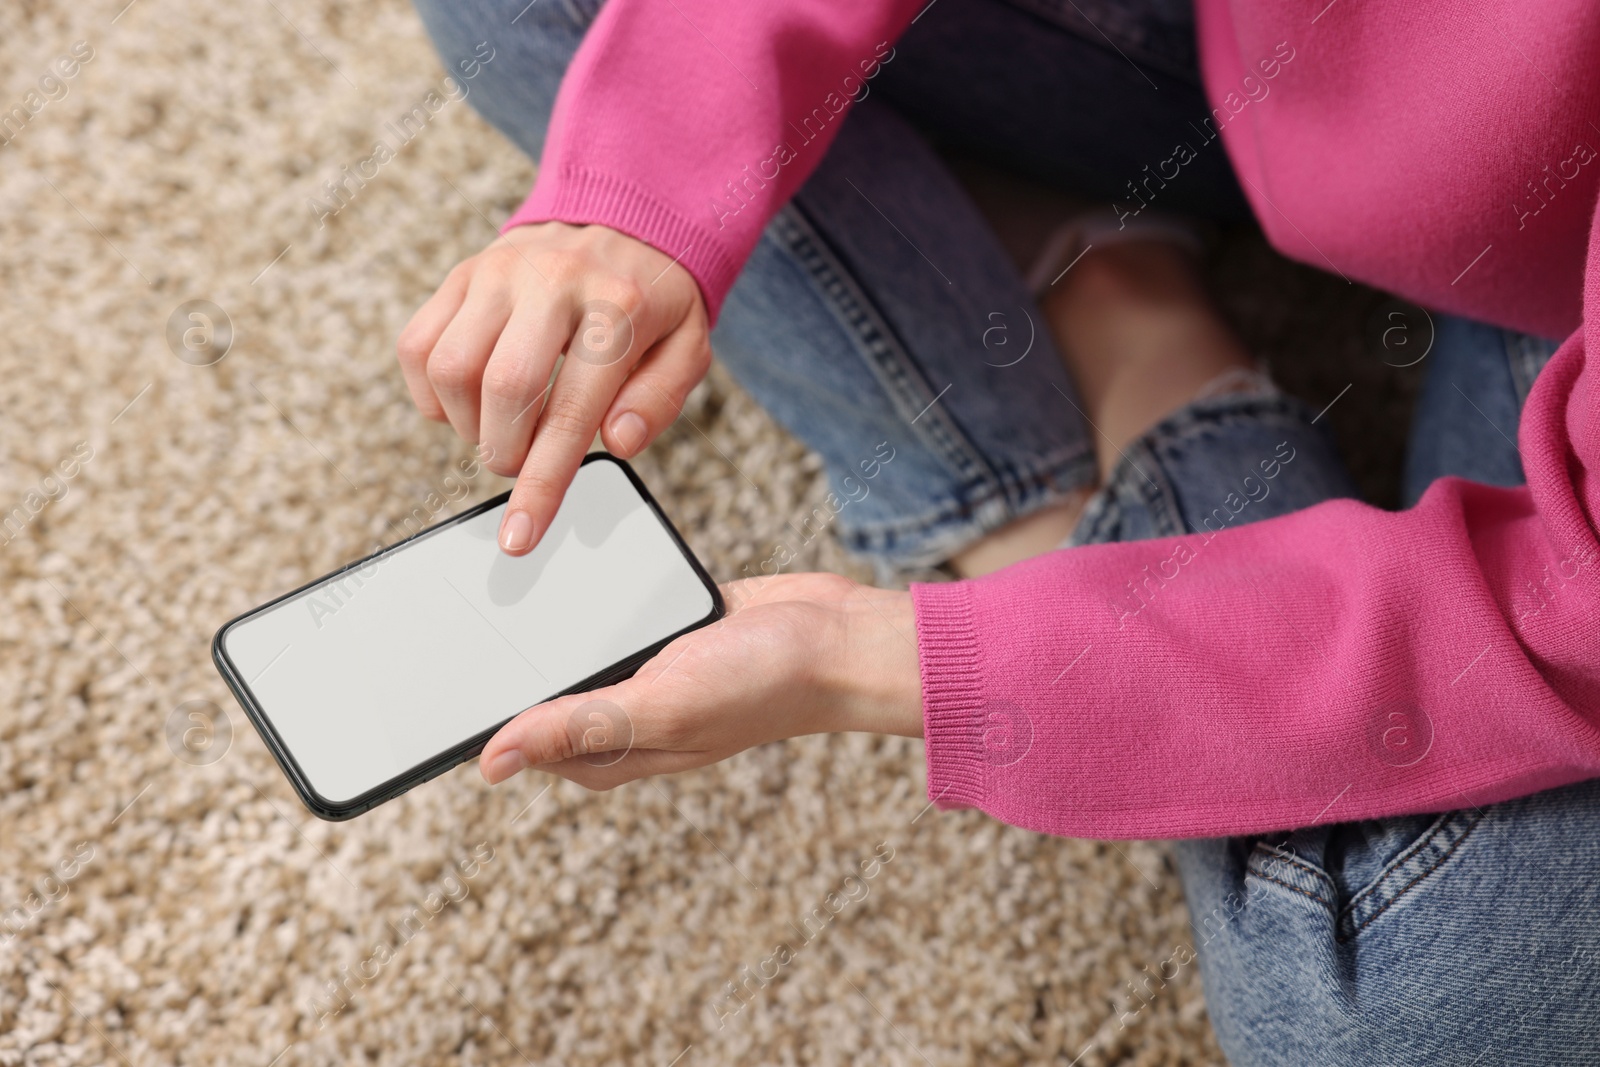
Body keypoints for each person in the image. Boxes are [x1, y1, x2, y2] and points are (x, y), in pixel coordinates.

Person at [400, 0, 1600, 1061]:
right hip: (1286, 72)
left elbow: (1561, 614)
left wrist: (894, 656)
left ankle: (1124, 359)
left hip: (1552, 332)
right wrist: (634, 198)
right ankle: (1089, 461)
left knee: (1390, 1014)